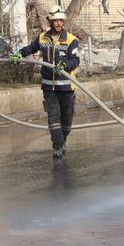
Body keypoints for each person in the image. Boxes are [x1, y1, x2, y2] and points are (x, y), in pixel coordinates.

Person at [14, 8, 80, 158]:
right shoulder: (43, 38)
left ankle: (62, 140)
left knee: (67, 119)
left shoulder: (71, 40)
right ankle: (57, 146)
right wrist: (19, 53)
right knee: (53, 118)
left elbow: (75, 60)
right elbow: (31, 48)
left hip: (66, 86)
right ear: (50, 22)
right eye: (55, 21)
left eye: (60, 21)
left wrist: (64, 66)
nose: (58, 23)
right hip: (49, 86)